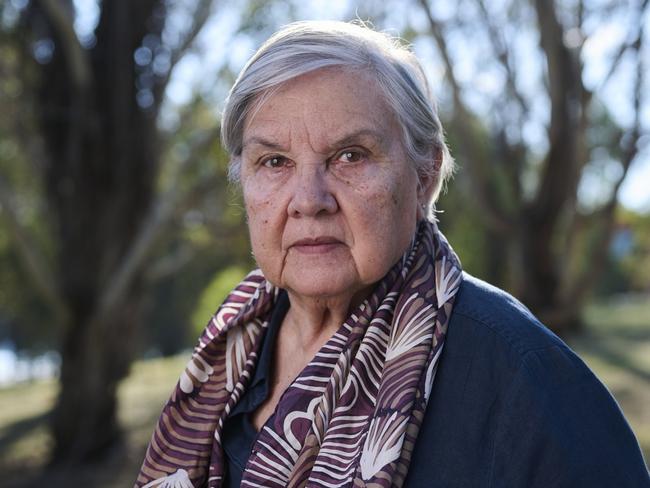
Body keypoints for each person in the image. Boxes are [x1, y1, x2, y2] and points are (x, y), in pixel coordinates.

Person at [135, 21, 649, 488]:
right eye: (274, 161)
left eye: (350, 156)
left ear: (425, 175)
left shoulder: (526, 381)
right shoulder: (229, 350)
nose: (309, 200)